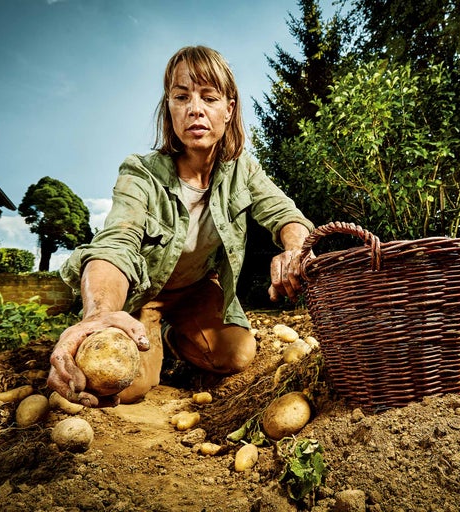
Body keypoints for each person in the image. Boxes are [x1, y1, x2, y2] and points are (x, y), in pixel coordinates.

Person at [47, 46, 314, 407]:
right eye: (182, 96)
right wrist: (99, 313)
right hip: (143, 293)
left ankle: (175, 336)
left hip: (196, 290)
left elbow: (285, 213)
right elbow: (116, 242)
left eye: (209, 98)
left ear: (228, 109)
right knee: (123, 386)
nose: (195, 109)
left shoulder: (243, 170)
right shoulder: (141, 172)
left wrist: (296, 248)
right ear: (169, 107)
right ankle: (151, 327)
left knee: (237, 355)